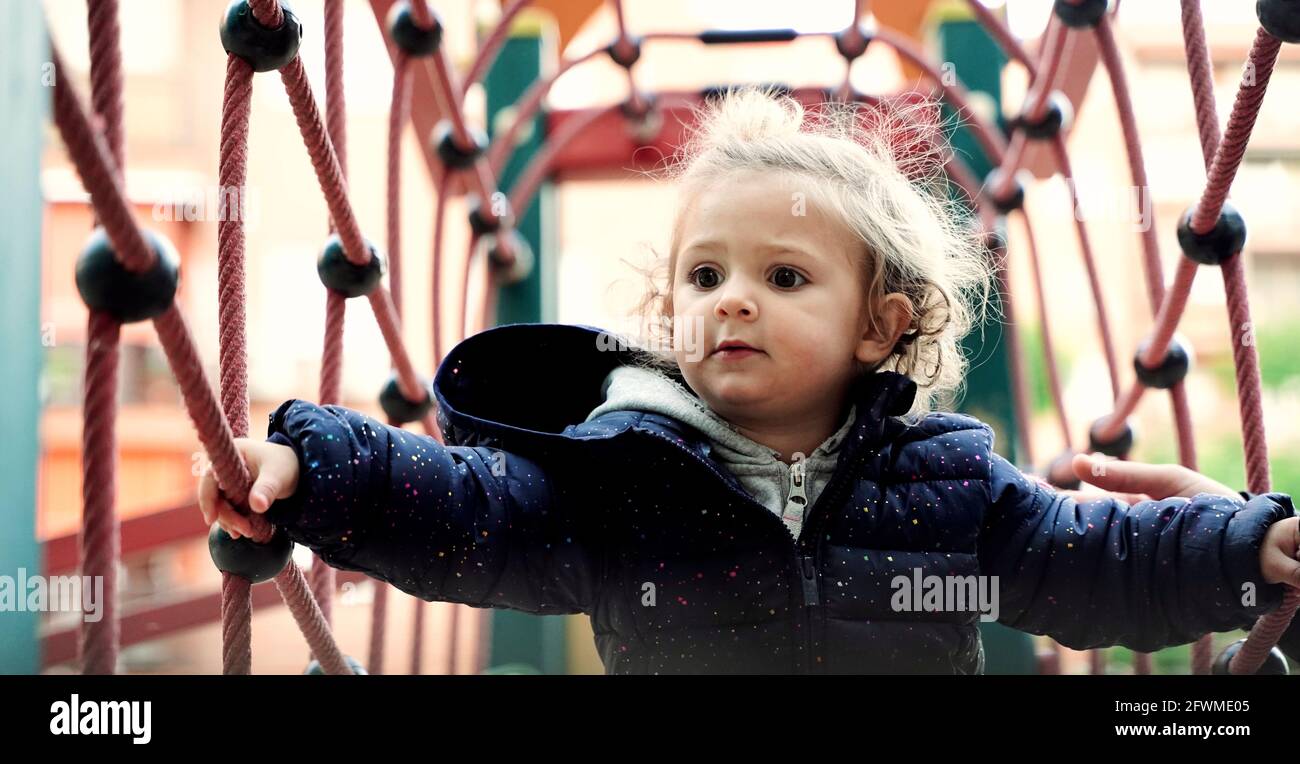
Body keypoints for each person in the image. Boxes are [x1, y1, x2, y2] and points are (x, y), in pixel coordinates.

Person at [198, 88, 1299, 674]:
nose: (732, 299)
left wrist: (1245, 550)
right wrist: (309, 468)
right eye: (706, 273)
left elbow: (1091, 559)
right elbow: (470, 513)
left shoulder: (948, 482)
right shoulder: (620, 478)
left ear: (879, 327)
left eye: (783, 276)